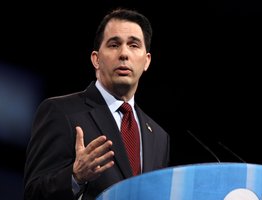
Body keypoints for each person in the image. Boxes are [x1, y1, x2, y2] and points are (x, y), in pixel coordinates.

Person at [23, 8, 170, 200]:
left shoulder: (159, 137)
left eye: (134, 45)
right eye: (114, 45)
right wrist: (75, 177)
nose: (124, 54)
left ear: (146, 61)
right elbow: (33, 194)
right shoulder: (62, 112)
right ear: (96, 59)